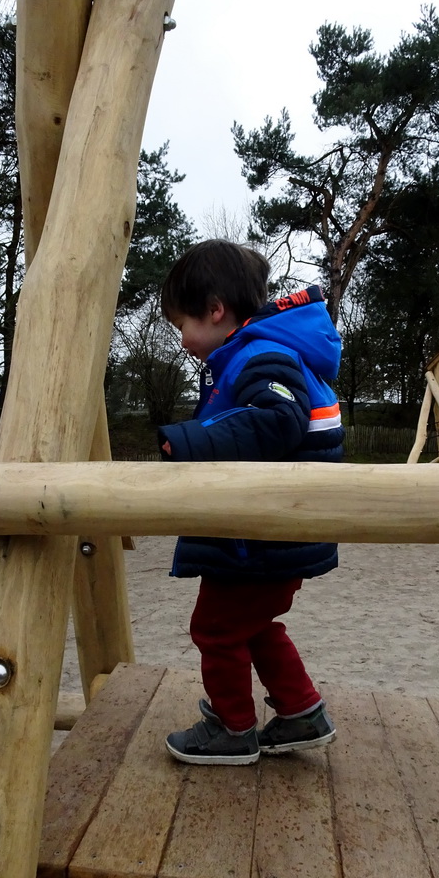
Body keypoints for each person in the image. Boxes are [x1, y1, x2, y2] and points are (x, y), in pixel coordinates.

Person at [157, 239, 344, 765]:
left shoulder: (263, 355)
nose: (182, 338)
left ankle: (234, 728)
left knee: (214, 629)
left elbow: (275, 421)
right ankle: (301, 711)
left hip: (260, 536)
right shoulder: (254, 353)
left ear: (215, 310)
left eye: (182, 324)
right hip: (267, 533)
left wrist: (190, 441)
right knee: (253, 625)